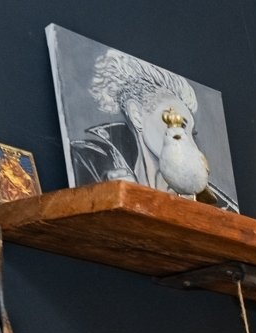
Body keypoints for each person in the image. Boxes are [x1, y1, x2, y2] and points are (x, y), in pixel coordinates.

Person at [69, 48, 237, 211]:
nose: (192, 146)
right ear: (136, 115)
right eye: (175, 123)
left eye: (190, 133)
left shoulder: (220, 205)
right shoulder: (87, 158)